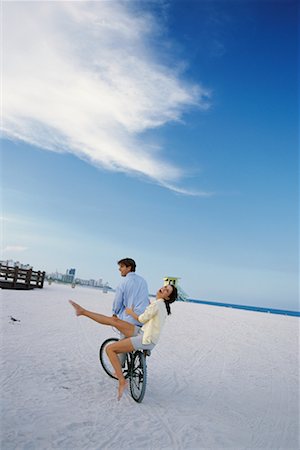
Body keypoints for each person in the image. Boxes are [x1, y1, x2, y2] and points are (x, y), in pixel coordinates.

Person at [69, 283, 178, 400]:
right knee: (114, 321)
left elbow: (142, 319)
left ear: (167, 298)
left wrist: (130, 312)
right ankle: (83, 311)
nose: (163, 288)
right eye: (165, 287)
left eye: (167, 290)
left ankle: (122, 381)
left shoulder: (158, 305)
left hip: (145, 339)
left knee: (109, 349)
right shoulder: (160, 305)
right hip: (144, 333)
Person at [112, 258, 149, 327]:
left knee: (124, 337)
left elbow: (118, 301)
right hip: (142, 319)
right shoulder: (143, 281)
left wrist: (114, 313)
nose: (119, 269)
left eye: (122, 266)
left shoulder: (123, 283)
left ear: (129, 268)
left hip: (129, 319)